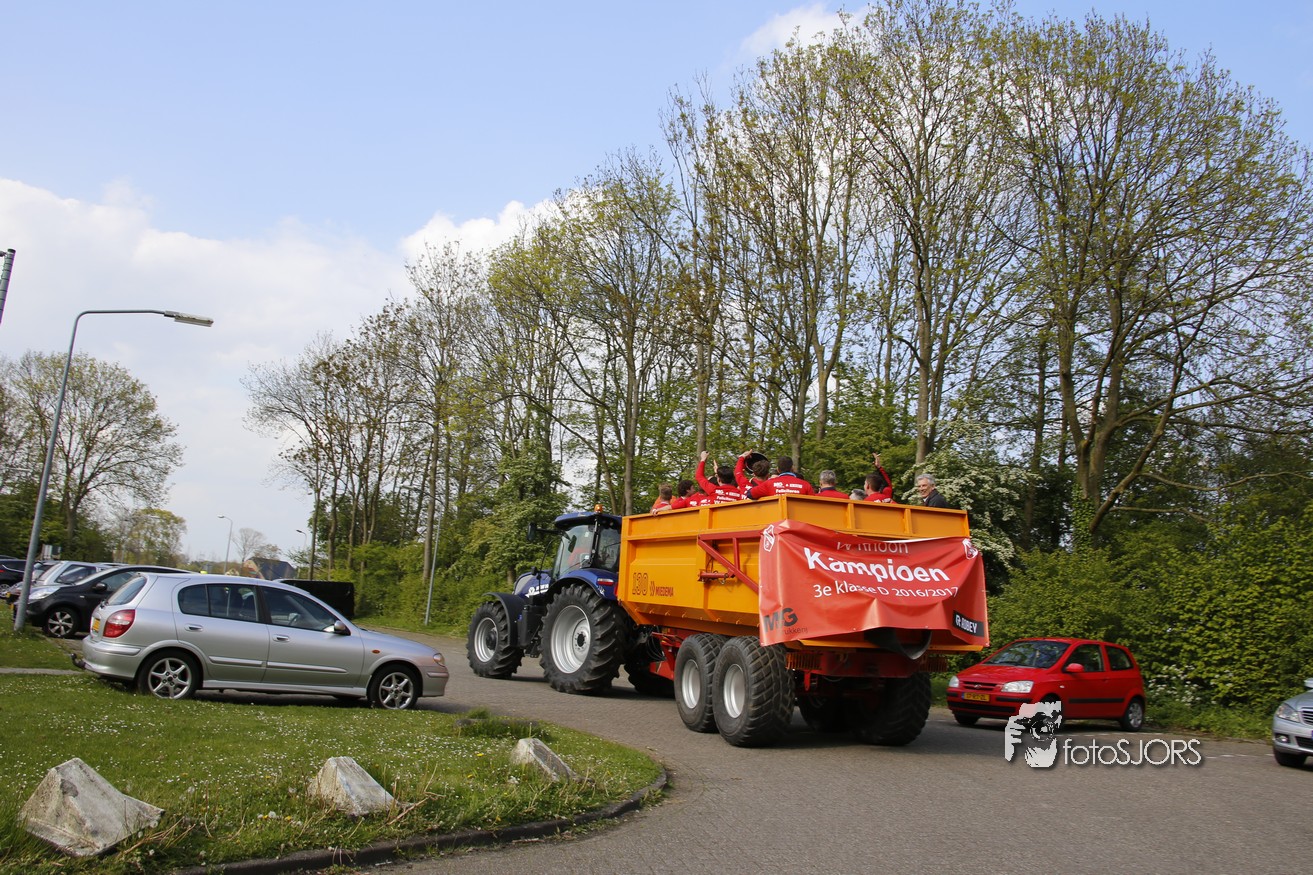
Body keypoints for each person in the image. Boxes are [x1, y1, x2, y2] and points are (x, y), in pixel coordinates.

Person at [744, 456, 814, 499]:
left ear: (778, 470)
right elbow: (814, 503)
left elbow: (750, 494)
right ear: (792, 468)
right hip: (798, 518)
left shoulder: (769, 483)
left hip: (775, 518)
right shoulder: (806, 485)